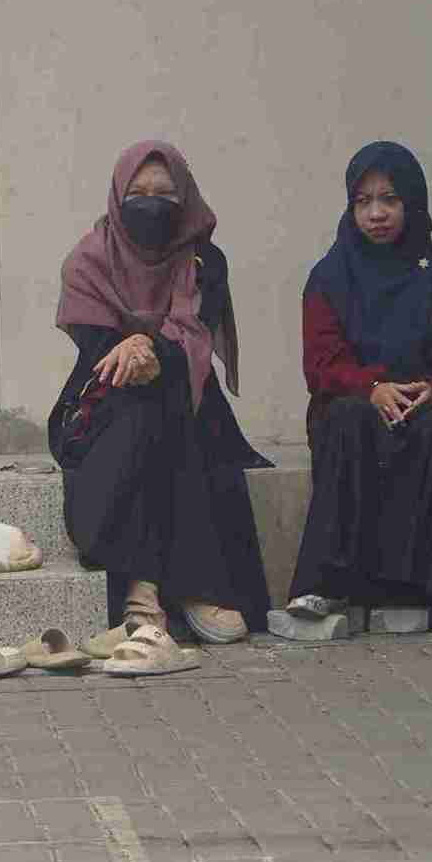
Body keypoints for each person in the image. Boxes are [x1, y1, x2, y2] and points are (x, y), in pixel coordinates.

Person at [48, 141, 272, 664]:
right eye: (138, 193)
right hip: (103, 398)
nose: (150, 204)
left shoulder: (204, 260)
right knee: (143, 413)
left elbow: (191, 335)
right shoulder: (89, 258)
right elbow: (98, 349)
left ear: (185, 197)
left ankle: (143, 588)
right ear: (117, 196)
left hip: (189, 395)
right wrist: (129, 347)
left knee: (164, 410)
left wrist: (150, 347)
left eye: (164, 194)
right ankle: (188, 588)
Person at [282, 142, 432, 624]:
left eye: (388, 199)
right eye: (363, 201)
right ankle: (327, 586)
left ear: (411, 201)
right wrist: (372, 388)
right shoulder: (331, 275)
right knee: (351, 421)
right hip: (352, 400)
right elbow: (321, 363)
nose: (376, 213)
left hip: (425, 400)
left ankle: (413, 590)